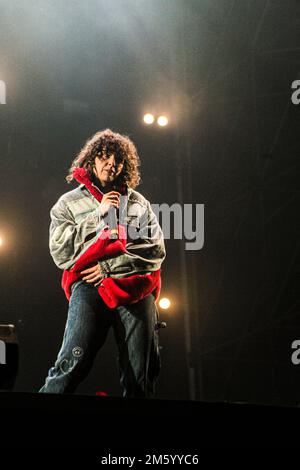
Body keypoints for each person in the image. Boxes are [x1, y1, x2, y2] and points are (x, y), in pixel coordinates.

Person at [39, 129, 166, 397]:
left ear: (125, 165)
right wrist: (98, 215)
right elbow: (60, 252)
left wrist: (108, 268)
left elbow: (155, 251)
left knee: (140, 374)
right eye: (105, 156)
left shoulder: (138, 204)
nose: (111, 164)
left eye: (118, 160)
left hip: (133, 290)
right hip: (88, 288)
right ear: (92, 160)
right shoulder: (68, 203)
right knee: (72, 362)